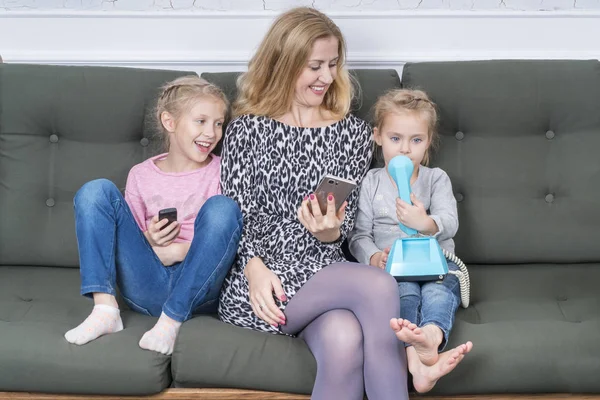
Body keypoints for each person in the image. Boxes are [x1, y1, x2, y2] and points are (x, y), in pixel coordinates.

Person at [218, 8, 468, 399]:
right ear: (283, 63)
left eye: (333, 64)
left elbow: (346, 224)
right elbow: (234, 215)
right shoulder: (245, 129)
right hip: (264, 282)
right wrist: (253, 271)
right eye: (314, 65)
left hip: (326, 273)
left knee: (344, 339)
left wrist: (330, 229)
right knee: (377, 285)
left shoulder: (350, 132)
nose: (327, 77)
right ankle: (412, 368)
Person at [64, 76, 242, 355]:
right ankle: (105, 309)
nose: (212, 133)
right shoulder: (141, 175)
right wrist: (149, 238)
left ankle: (171, 321)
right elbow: (129, 245)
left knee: (223, 208)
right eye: (201, 121)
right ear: (170, 122)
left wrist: (176, 251)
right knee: (94, 190)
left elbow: (230, 238)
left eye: (218, 123)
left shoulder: (225, 170)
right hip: (145, 284)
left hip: (198, 288)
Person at [348, 88, 473, 387]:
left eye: (416, 140)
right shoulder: (371, 182)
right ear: (377, 136)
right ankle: (418, 365)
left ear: (428, 141)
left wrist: (426, 222)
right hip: (394, 270)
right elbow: (358, 234)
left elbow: (450, 223)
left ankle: (432, 336)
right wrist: (373, 256)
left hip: (438, 264)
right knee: (403, 297)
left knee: (438, 294)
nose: (405, 150)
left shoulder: (436, 179)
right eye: (395, 139)